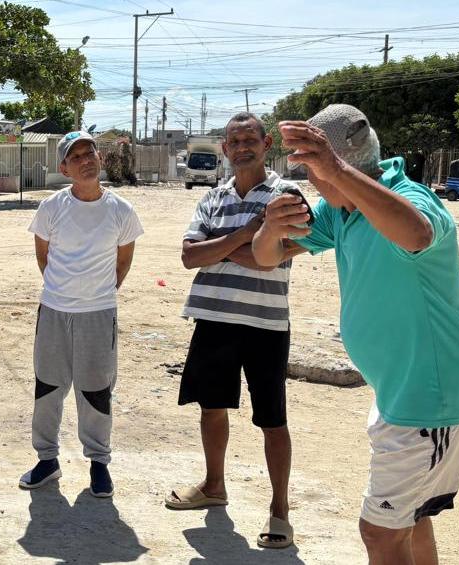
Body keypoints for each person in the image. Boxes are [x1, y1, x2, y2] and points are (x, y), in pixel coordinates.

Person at [252, 104, 459, 565]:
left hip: (431, 397)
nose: (312, 184)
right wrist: (270, 227)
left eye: (315, 172)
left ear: (341, 167)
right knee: (410, 519)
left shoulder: (410, 198)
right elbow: (267, 257)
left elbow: (418, 234)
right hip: (401, 393)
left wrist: (337, 171)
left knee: (380, 533)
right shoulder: (340, 211)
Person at [164, 112, 304, 549]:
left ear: (266, 145)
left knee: (272, 419)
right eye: (234, 141)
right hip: (214, 317)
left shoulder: (286, 195)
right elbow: (189, 257)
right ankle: (214, 486)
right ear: (225, 148)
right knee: (211, 407)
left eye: (250, 140)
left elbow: (279, 256)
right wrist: (247, 235)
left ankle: (280, 511)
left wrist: (221, 249)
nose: (242, 147)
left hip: (265, 323)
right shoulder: (213, 196)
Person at [19, 131, 143, 498]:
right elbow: (43, 257)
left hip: (98, 313)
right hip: (54, 311)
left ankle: (99, 463)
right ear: (64, 168)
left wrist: (95, 294)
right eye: (76, 157)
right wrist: (64, 291)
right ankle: (47, 460)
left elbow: (123, 262)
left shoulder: (121, 210)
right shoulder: (51, 208)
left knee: (96, 390)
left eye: (90, 153)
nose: (86, 160)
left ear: (100, 158)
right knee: (48, 387)